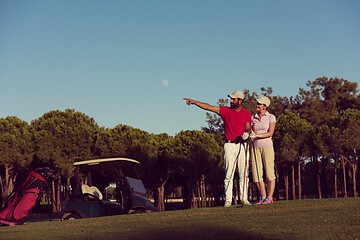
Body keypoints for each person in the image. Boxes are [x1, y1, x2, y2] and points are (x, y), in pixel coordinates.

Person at [183, 91, 251, 207]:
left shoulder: (246, 113)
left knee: (244, 173)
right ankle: (228, 201)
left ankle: (244, 199)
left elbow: (248, 127)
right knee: (229, 173)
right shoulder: (225, 111)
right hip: (229, 145)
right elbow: (209, 107)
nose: (231, 101)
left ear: (240, 101)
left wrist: (247, 133)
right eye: (231, 99)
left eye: (233, 99)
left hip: (243, 145)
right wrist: (194, 102)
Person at [250, 96, 276, 204]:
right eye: (257, 103)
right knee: (256, 174)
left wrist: (256, 135)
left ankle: (269, 197)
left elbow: (270, 133)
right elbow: (250, 129)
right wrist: (251, 133)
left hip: (267, 147)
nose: (257, 105)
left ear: (265, 106)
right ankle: (263, 196)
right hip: (255, 147)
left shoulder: (271, 117)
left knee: (269, 172)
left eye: (260, 104)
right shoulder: (253, 118)